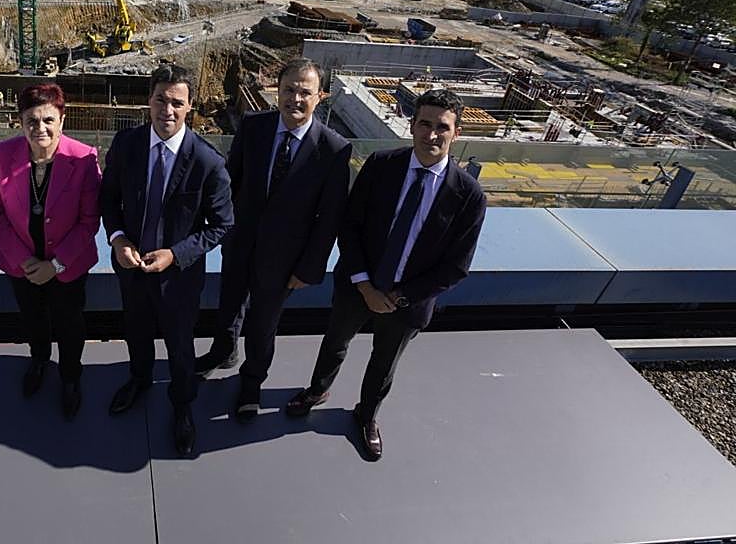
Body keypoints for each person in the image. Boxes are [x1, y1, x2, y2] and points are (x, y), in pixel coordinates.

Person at [285, 88, 487, 460]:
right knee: (335, 343)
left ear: (456, 133)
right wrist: (365, 286)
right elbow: (350, 225)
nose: (432, 135)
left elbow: (456, 265)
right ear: (411, 126)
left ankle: (367, 415)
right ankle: (317, 390)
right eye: (424, 124)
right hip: (358, 287)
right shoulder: (381, 166)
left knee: (385, 361)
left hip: (407, 303)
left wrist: (397, 298)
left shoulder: (469, 195)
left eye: (442, 127)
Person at [196, 58, 352, 421]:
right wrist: (221, 228)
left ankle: (251, 381)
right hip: (240, 242)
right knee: (229, 304)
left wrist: (309, 267)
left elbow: (329, 218)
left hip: (285, 260)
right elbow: (230, 183)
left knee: (263, 324)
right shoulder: (254, 126)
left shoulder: (333, 149)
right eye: (289, 90)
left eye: (305, 92)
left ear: (321, 97)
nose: (295, 99)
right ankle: (223, 351)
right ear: (276, 91)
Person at [100, 64, 234, 457]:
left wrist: (176, 254)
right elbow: (109, 199)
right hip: (131, 267)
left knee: (180, 346)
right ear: (149, 100)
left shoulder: (208, 162)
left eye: (177, 102)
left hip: (178, 278)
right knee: (136, 332)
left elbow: (223, 224)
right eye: (161, 99)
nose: (168, 110)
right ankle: (139, 380)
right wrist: (119, 237)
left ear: (190, 106)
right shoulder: (127, 145)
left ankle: (182, 406)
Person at [0, 83, 102, 420]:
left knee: (70, 324)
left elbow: (88, 221)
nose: (41, 128)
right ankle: (39, 360)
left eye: (48, 120)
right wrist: (24, 261)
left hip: (67, 265)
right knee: (33, 318)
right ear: (20, 122)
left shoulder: (83, 159)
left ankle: (70, 376)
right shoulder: (2, 155)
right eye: (32, 121)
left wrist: (55, 264)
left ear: (61, 120)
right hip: (20, 263)